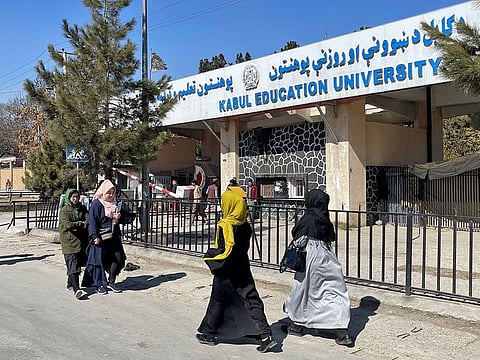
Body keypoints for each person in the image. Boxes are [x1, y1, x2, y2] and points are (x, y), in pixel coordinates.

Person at [196, 189, 277, 353]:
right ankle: (265, 334)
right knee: (251, 298)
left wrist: (210, 256)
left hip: (226, 269)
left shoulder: (225, 225)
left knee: (217, 301)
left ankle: (209, 333)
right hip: (242, 265)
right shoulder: (245, 224)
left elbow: (224, 250)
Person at [283, 188, 354, 347]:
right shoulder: (324, 218)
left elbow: (300, 239)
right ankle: (341, 332)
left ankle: (297, 325)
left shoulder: (308, 218)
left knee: (303, 291)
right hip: (327, 258)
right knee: (333, 291)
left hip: (310, 258)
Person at [82, 180, 131, 295]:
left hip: (114, 237)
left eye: (113, 193)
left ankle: (112, 281)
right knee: (100, 262)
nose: (111, 195)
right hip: (101, 237)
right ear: (103, 192)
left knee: (118, 258)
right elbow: (92, 221)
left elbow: (125, 217)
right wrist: (94, 235)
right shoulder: (97, 204)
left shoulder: (115, 203)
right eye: (108, 193)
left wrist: (120, 216)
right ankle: (100, 284)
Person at [58, 188, 89, 300]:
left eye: (77, 197)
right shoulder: (64, 211)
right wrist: (81, 224)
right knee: (73, 264)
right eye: (73, 197)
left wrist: (83, 224)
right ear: (69, 198)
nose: (75, 199)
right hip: (69, 242)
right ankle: (77, 289)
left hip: (81, 241)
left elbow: (88, 219)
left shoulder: (82, 208)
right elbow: (67, 225)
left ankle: (70, 283)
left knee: (78, 264)